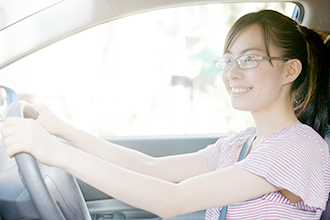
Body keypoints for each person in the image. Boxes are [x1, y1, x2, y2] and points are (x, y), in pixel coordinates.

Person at [1, 10, 330, 220]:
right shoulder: (243, 143)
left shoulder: (298, 149)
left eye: (249, 60)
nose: (231, 73)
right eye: (228, 60)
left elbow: (173, 201)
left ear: (290, 70)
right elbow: (151, 168)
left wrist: (57, 153)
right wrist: (64, 131)